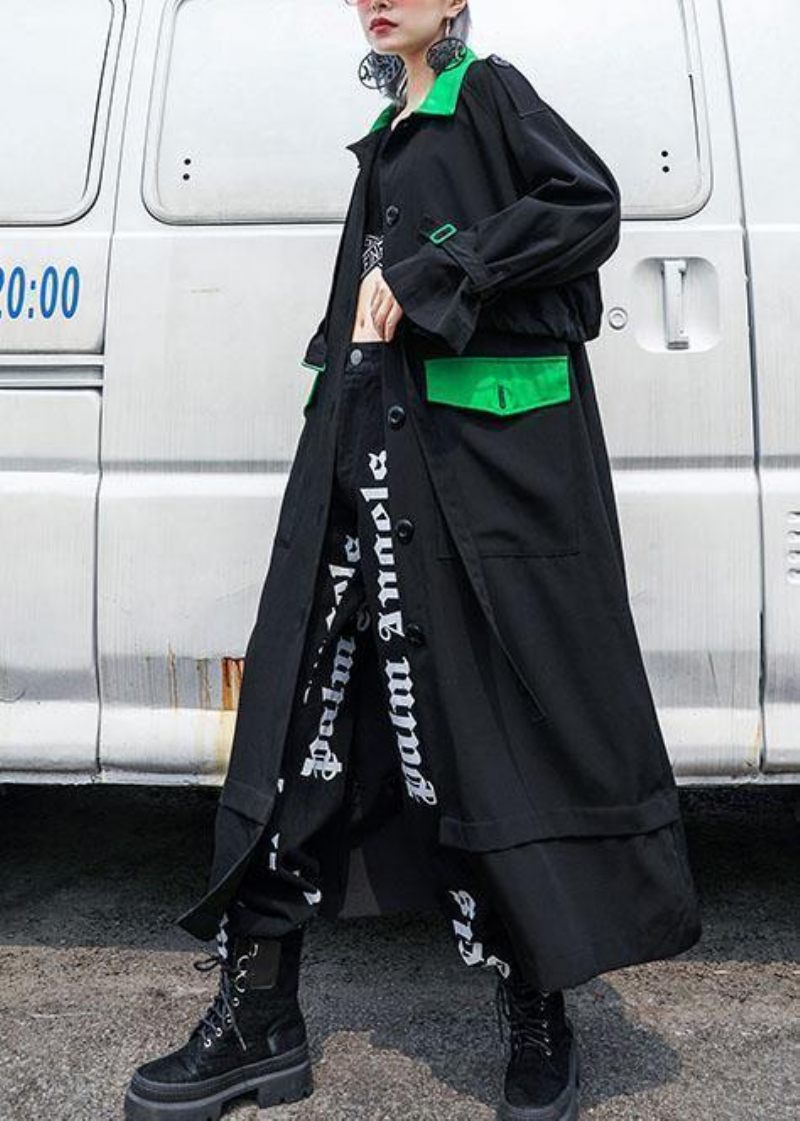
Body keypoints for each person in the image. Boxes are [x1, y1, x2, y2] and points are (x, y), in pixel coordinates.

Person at [125, 3, 703, 1120]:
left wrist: (452, 265)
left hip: (467, 483)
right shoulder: (389, 127)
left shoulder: (487, 91)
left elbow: (585, 204)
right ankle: (258, 1016)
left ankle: (538, 1010)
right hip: (360, 464)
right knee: (298, 727)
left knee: (490, 733)